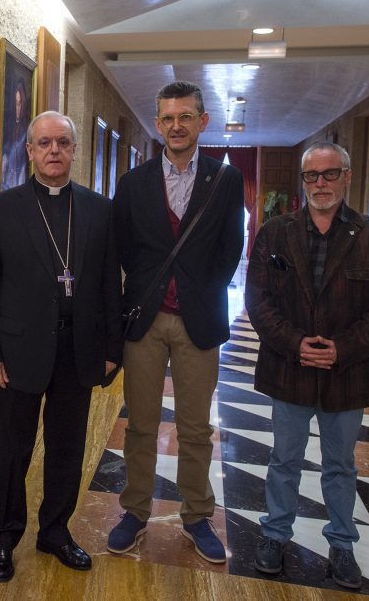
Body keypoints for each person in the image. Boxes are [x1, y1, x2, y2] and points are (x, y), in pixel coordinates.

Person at [0, 111, 123, 582]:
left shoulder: (99, 209)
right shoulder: (3, 208)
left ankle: (55, 531)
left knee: (67, 448)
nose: (53, 150)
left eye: (62, 142)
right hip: (18, 350)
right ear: (30, 151)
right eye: (44, 143)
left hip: (79, 348)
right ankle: (2, 538)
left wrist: (112, 347)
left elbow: (110, 283)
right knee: (11, 450)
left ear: (75, 150)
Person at [245, 142, 369, 589]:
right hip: (289, 367)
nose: (320, 183)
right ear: (303, 181)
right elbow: (258, 300)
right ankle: (275, 535)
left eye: (330, 174)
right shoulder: (275, 233)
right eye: (312, 176)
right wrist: (295, 343)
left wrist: (341, 349)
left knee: (340, 465)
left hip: (347, 372)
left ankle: (342, 544)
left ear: (347, 177)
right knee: (284, 459)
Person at [108, 81, 244, 563]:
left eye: (185, 116)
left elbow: (231, 248)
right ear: (158, 123)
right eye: (167, 118)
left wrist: (199, 291)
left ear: (202, 121)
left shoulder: (225, 180)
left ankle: (197, 516)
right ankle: (135, 511)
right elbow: (124, 248)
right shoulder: (134, 183)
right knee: (140, 424)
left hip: (197, 322)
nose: (176, 126)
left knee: (195, 427)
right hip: (145, 320)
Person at [0, 80, 29, 190]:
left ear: (23, 105)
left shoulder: (26, 130)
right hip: (7, 178)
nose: (17, 108)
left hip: (19, 178)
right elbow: (7, 149)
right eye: (15, 104)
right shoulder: (9, 126)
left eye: (19, 104)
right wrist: (4, 158)